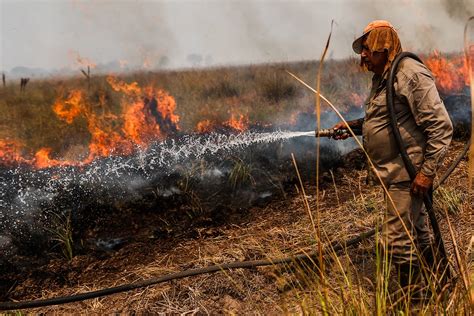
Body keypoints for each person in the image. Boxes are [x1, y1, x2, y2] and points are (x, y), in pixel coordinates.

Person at [332, 20, 453, 291]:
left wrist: (426, 173)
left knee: (395, 241)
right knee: (419, 232)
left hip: (407, 172)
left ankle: (415, 301)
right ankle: (440, 286)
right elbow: (389, 115)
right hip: (396, 172)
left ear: (383, 48)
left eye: (367, 49)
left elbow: (441, 127)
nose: (362, 55)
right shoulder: (384, 77)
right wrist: (352, 125)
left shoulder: (409, 74)